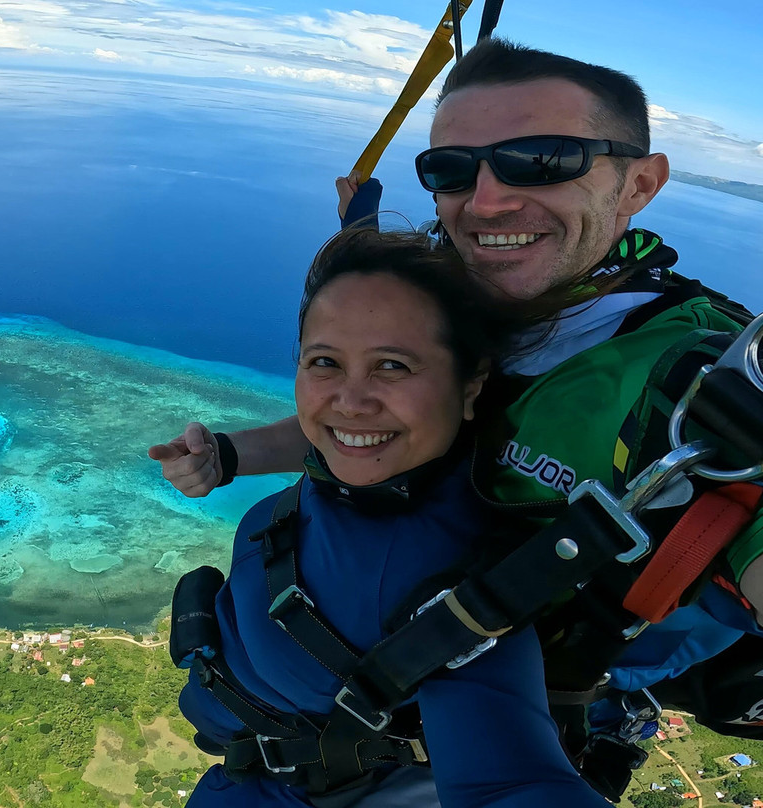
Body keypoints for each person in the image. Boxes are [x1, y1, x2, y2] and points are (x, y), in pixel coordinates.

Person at [150, 38, 763, 802]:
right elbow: (367, 418)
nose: (486, 201)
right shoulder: (452, 286)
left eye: (542, 160)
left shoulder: (697, 386)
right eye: (450, 170)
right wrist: (233, 456)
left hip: (458, 741)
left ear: (640, 183)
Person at [172, 226, 608, 808]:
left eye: (394, 367)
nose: (352, 402)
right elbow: (322, 435)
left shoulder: (452, 592)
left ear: (471, 387)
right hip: (238, 751)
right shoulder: (380, 464)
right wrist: (226, 456)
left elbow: (509, 784)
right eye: (325, 361)